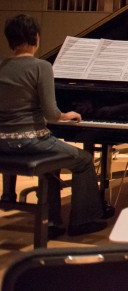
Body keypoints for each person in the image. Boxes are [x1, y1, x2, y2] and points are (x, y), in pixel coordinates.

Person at [0, 14, 106, 237]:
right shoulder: (41, 67)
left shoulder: (2, 66)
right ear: (36, 38)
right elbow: (51, 114)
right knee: (84, 160)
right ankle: (83, 222)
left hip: (3, 142)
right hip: (31, 142)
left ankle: (53, 223)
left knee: (54, 160)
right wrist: (69, 114)